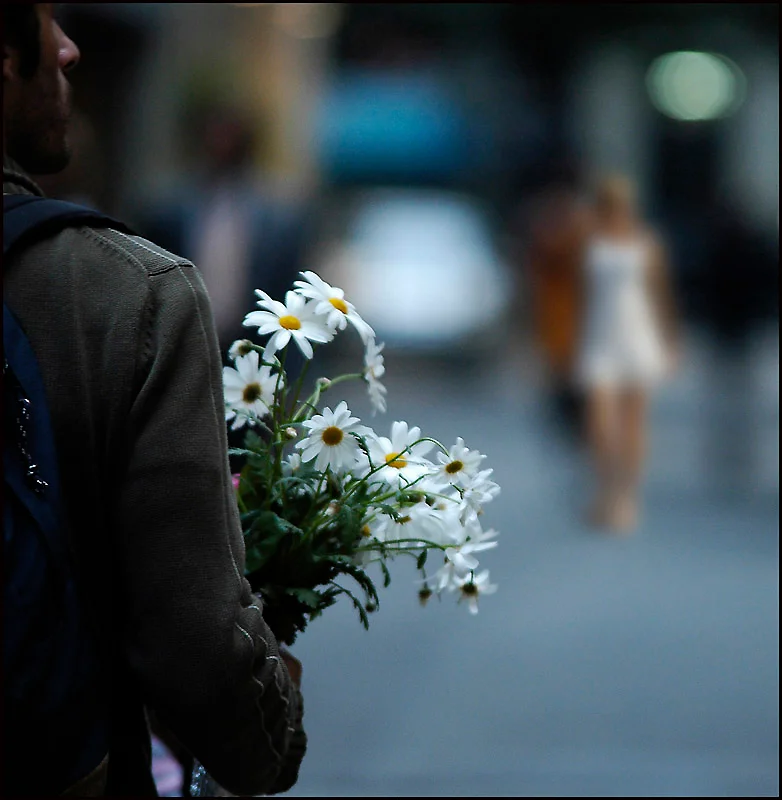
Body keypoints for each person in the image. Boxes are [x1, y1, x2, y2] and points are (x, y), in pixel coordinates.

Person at [3, 4, 306, 796]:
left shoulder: (241, 233)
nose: (69, 50)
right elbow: (192, 643)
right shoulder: (125, 292)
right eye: (42, 23)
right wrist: (269, 731)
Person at [573, 174, 680, 532]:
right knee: (599, 424)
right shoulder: (587, 240)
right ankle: (605, 489)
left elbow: (659, 293)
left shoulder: (646, 241)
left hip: (637, 333)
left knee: (633, 422)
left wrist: (668, 338)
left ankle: (626, 496)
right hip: (599, 333)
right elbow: (574, 292)